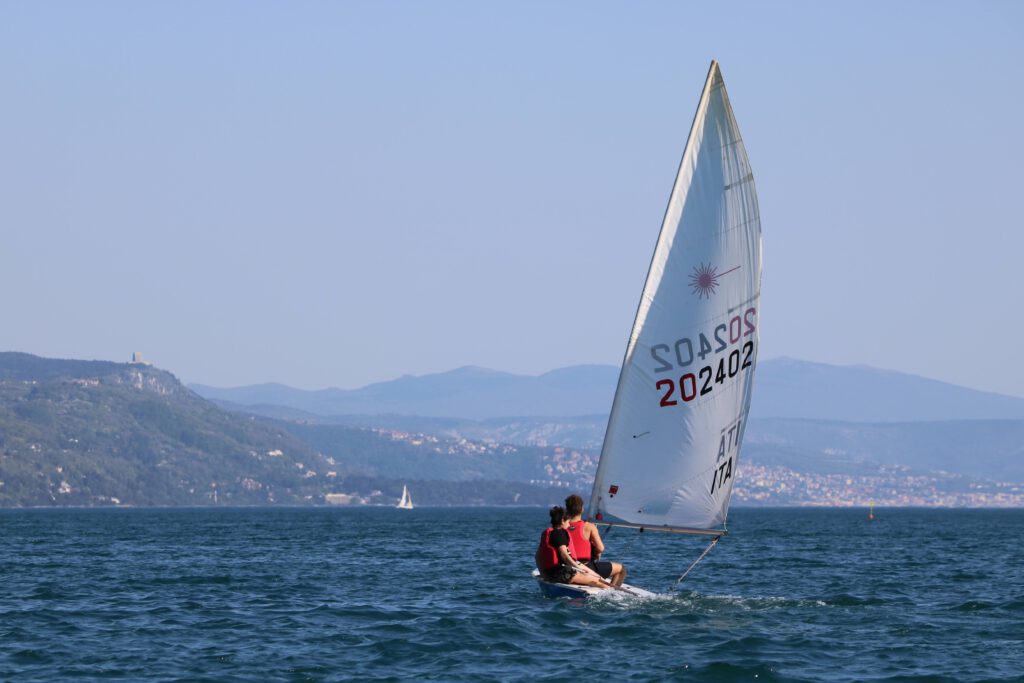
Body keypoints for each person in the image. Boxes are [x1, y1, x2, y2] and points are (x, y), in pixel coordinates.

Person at [535, 505, 608, 590]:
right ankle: (611, 596)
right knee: (597, 582)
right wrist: (578, 568)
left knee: (598, 578)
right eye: (568, 521)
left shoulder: (549, 533)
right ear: (562, 521)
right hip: (560, 574)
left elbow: (537, 557)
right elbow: (564, 555)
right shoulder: (560, 533)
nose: (569, 524)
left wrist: (543, 574)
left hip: (550, 574)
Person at [564, 493, 628, 587]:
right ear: (582, 509)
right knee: (621, 569)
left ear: (567, 510)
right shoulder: (589, 526)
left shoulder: (563, 526)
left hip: (568, 568)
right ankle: (612, 592)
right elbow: (601, 548)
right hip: (587, 568)